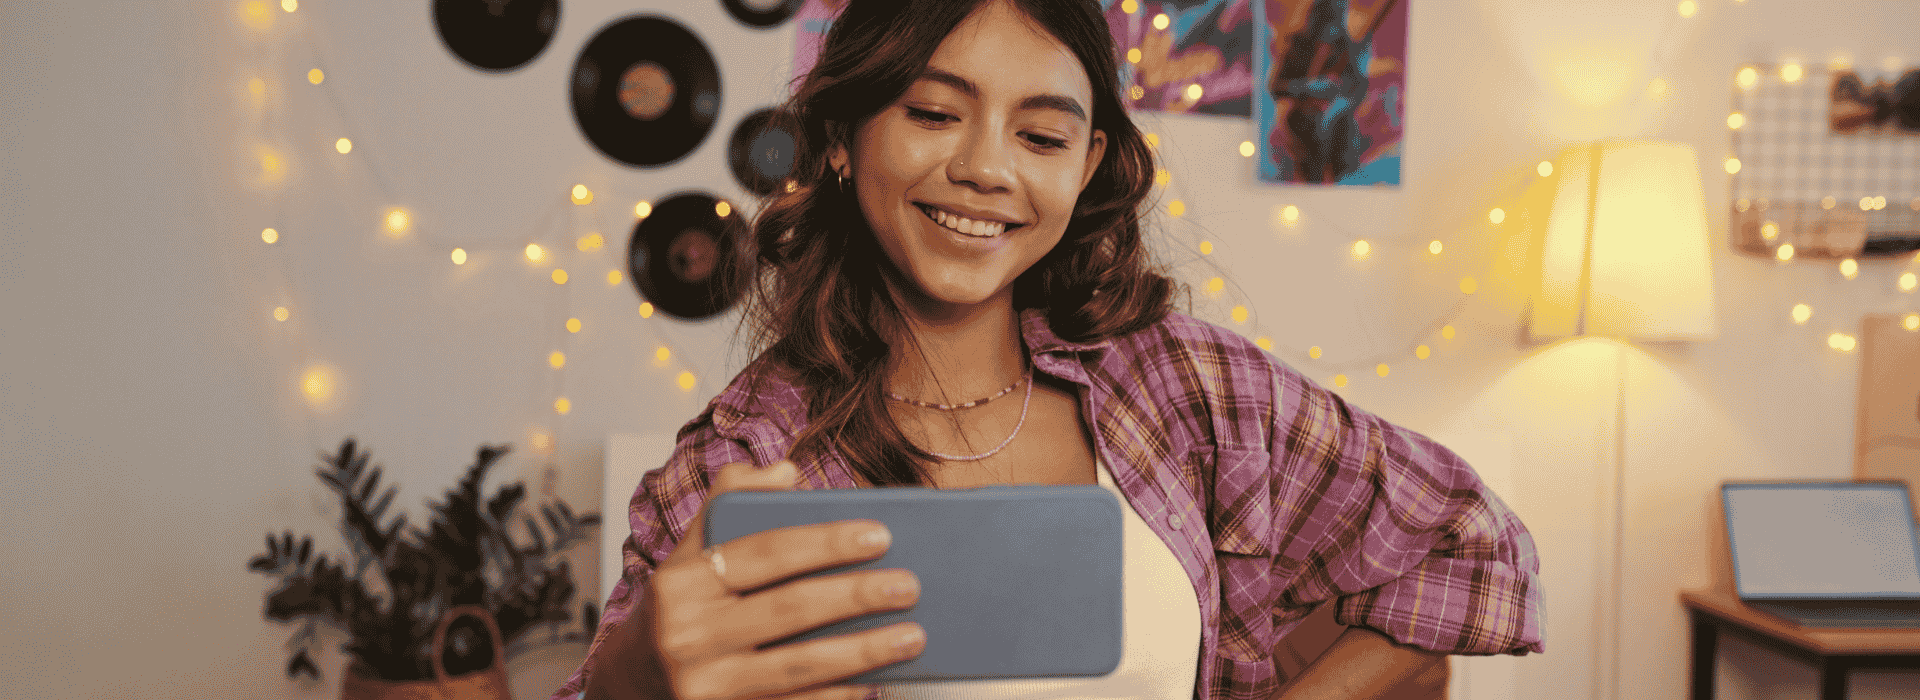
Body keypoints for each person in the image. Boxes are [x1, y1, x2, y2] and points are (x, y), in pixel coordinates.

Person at [555, 1, 1543, 699]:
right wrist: (634, 678)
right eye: (933, 113)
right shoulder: (744, 460)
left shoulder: (1191, 388)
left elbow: (1471, 542)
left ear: (1087, 164)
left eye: (1042, 136)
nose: (987, 168)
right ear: (845, 136)